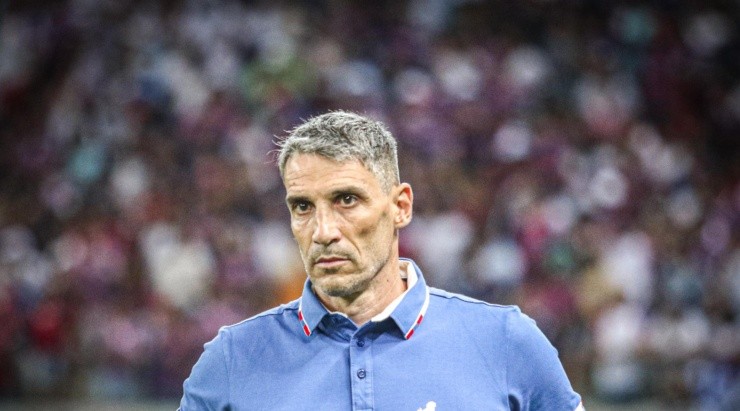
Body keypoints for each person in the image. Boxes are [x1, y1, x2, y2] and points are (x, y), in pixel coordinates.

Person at [179, 111, 584, 410]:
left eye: (346, 200)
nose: (323, 231)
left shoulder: (506, 342)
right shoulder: (231, 360)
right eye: (303, 206)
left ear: (400, 206)